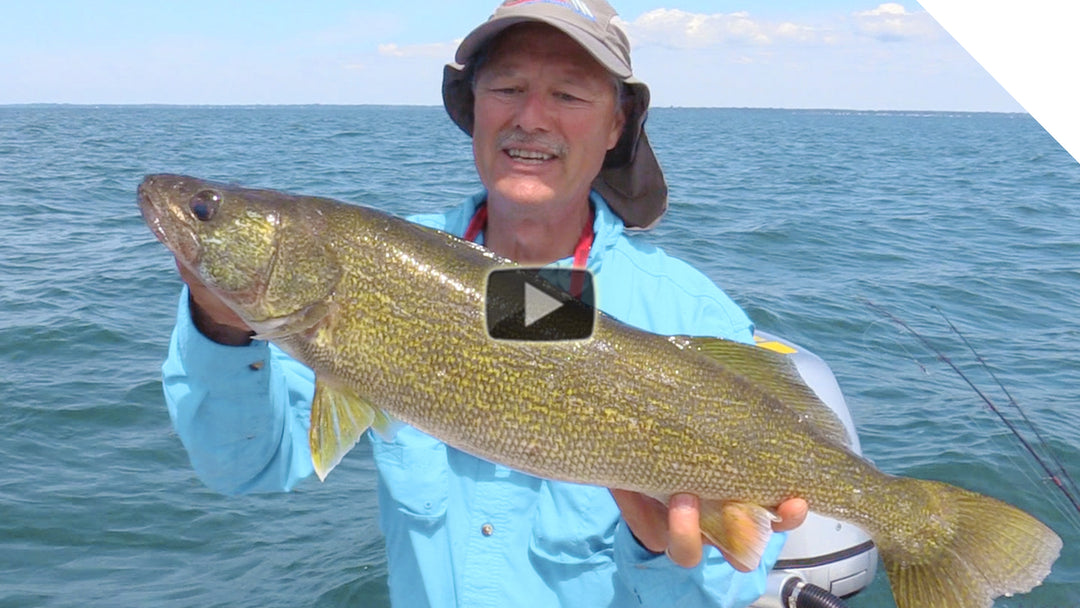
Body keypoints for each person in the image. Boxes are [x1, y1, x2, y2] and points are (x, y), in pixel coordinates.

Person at [163, 1, 808, 606]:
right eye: (506, 87)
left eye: (568, 94)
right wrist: (222, 326)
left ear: (617, 125)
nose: (531, 117)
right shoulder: (372, 268)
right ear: (471, 106)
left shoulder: (692, 316)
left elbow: (728, 585)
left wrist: (656, 545)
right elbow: (245, 466)